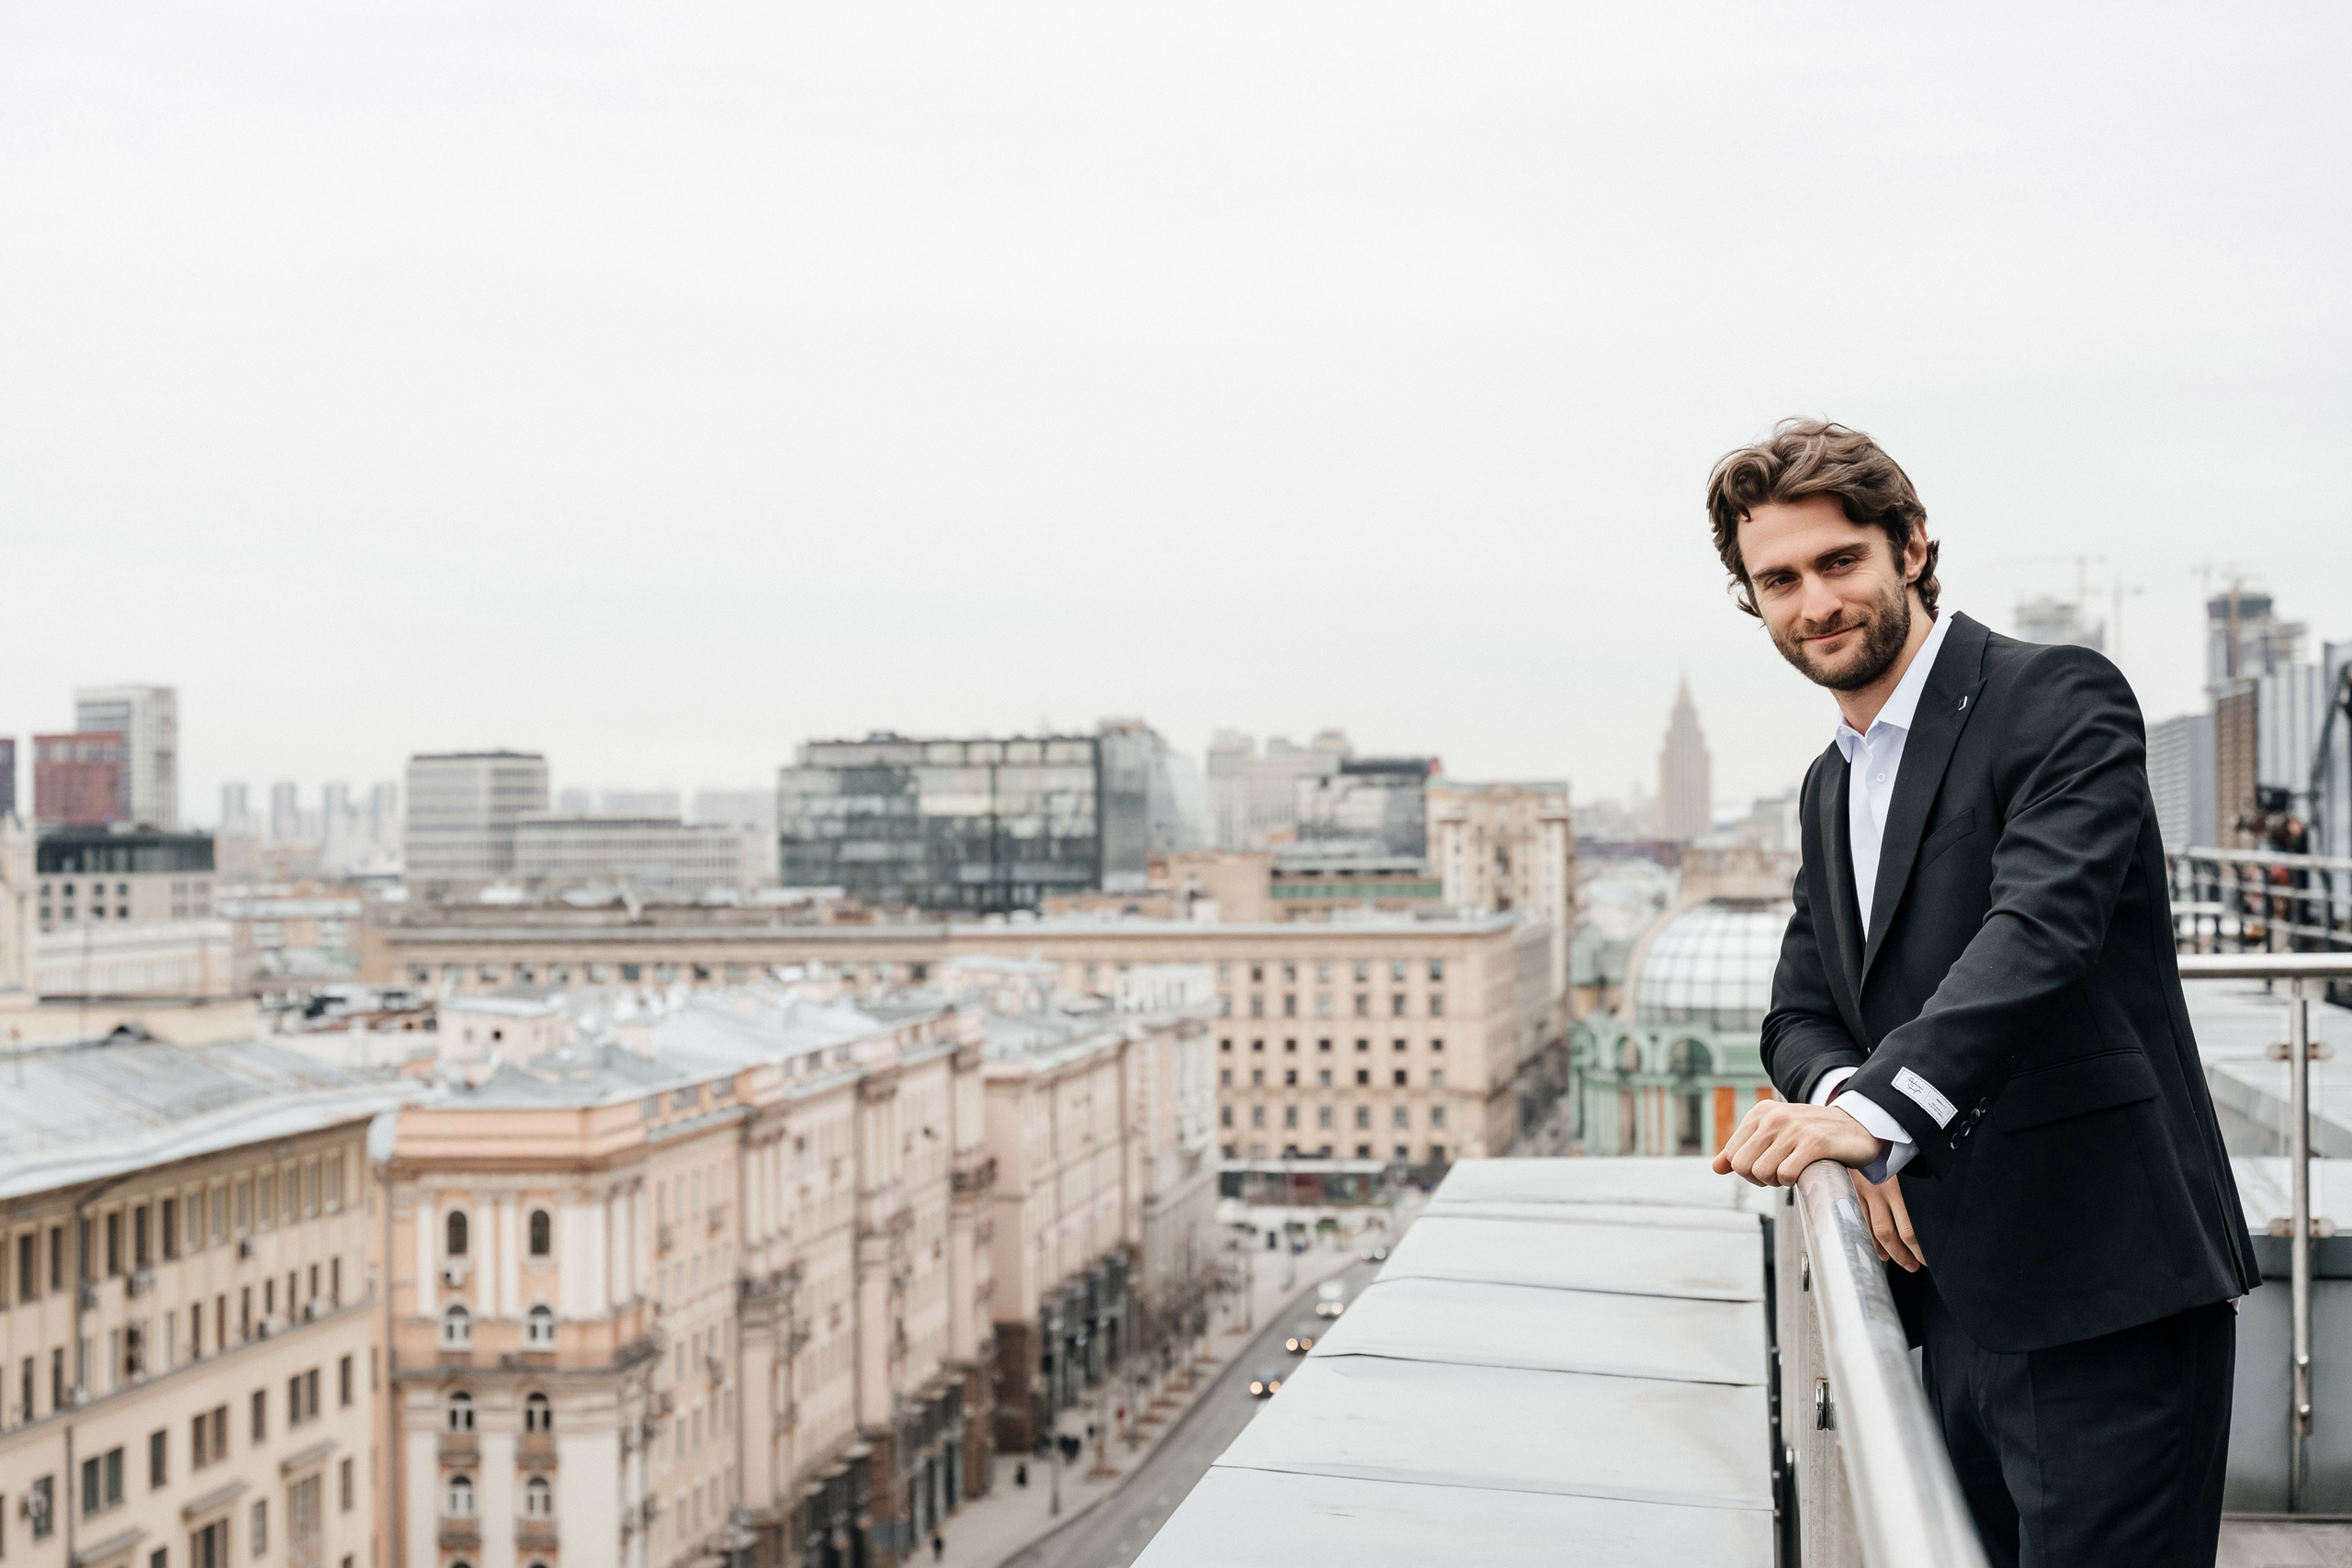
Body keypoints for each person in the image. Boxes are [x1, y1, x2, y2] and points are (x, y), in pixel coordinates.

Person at [1702, 420, 2258, 1568]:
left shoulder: (2052, 696)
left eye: (1838, 561)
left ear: (1909, 547)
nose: (1814, 603)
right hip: (1947, 1292)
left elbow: (2038, 936)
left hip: (2105, 1286)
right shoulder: (1828, 781)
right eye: (1778, 580)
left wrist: (1867, 1122)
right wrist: (1857, 1105)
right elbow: (1795, 1011)